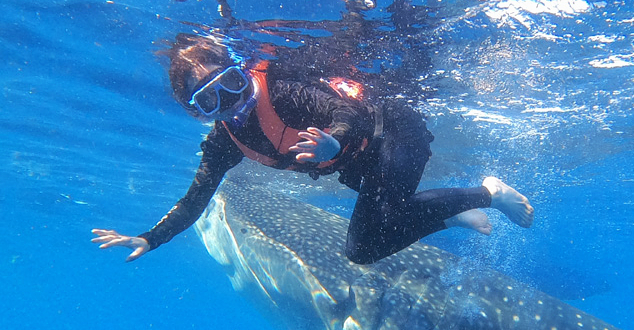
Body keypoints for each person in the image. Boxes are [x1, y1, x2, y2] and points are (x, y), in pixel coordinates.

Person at [92, 34, 534, 264]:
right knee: (367, 245)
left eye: (230, 84)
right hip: (363, 165)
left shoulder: (281, 91)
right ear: (198, 112)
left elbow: (349, 112)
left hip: (393, 131)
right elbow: (195, 201)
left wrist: (333, 139)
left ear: (240, 71)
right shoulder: (224, 144)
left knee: (375, 231)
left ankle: (489, 194)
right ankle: (448, 212)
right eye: (210, 99)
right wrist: (152, 237)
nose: (228, 101)